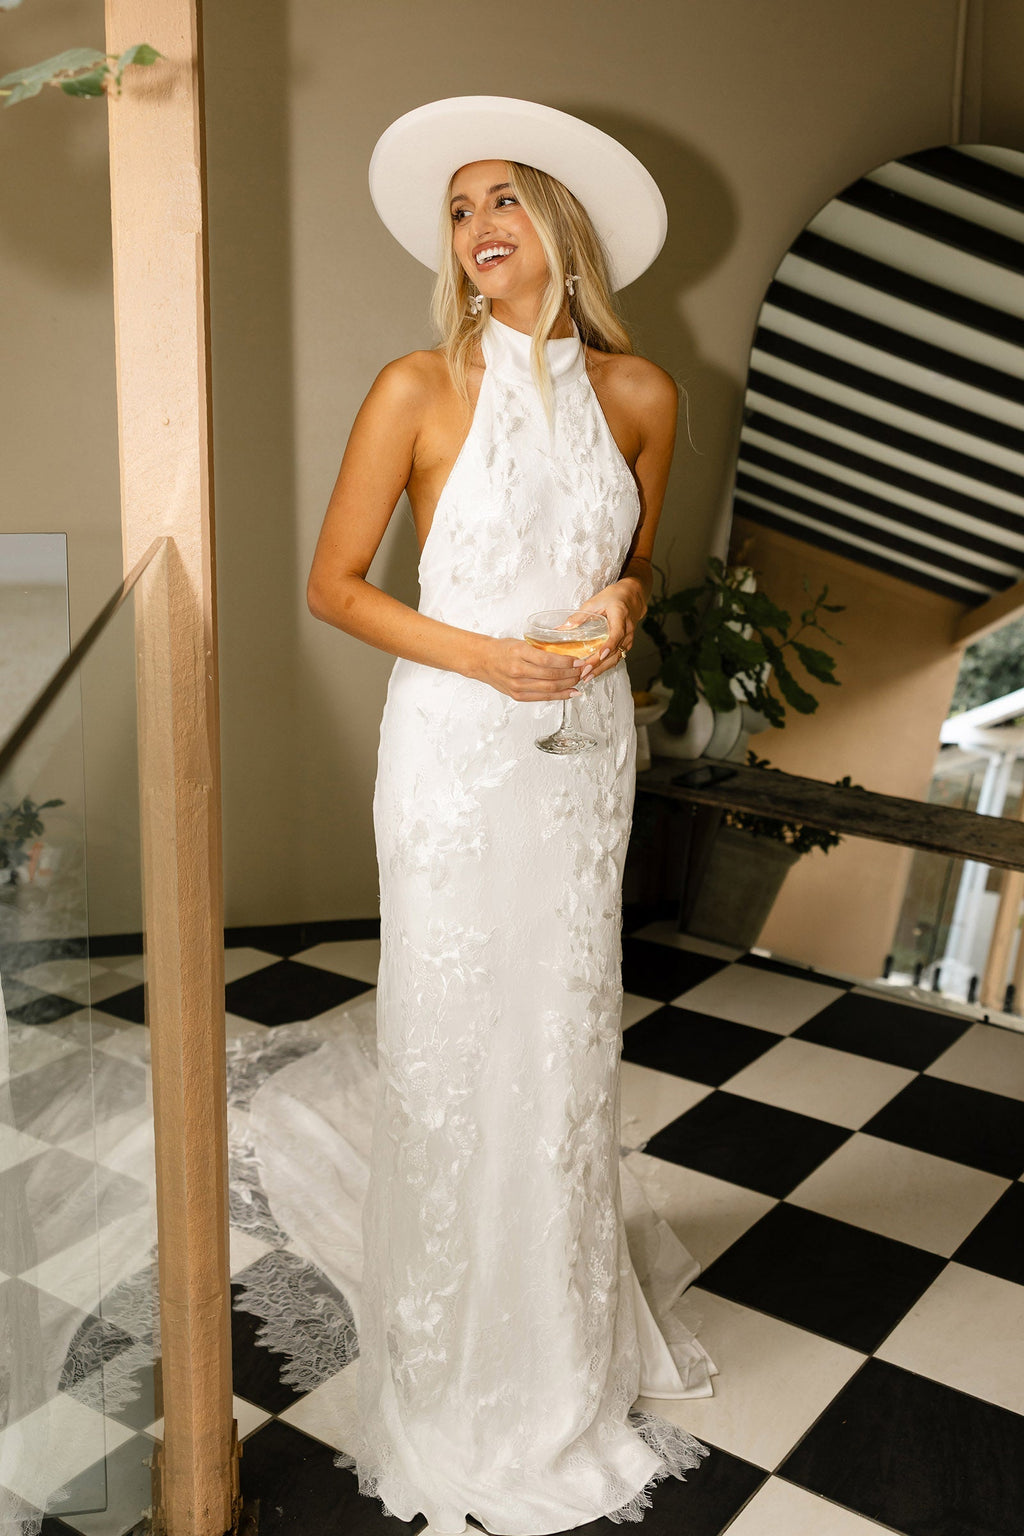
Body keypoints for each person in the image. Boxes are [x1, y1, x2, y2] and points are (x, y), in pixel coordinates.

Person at [307, 96, 716, 1536]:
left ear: (561, 226)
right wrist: (484, 658)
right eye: (460, 210)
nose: (477, 227)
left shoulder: (646, 393)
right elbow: (334, 586)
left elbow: (639, 560)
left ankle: (555, 1341)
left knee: (560, 1033)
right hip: (453, 748)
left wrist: (625, 601)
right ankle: (448, 1360)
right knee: (453, 1029)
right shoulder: (415, 387)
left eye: (502, 201)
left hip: (584, 752)